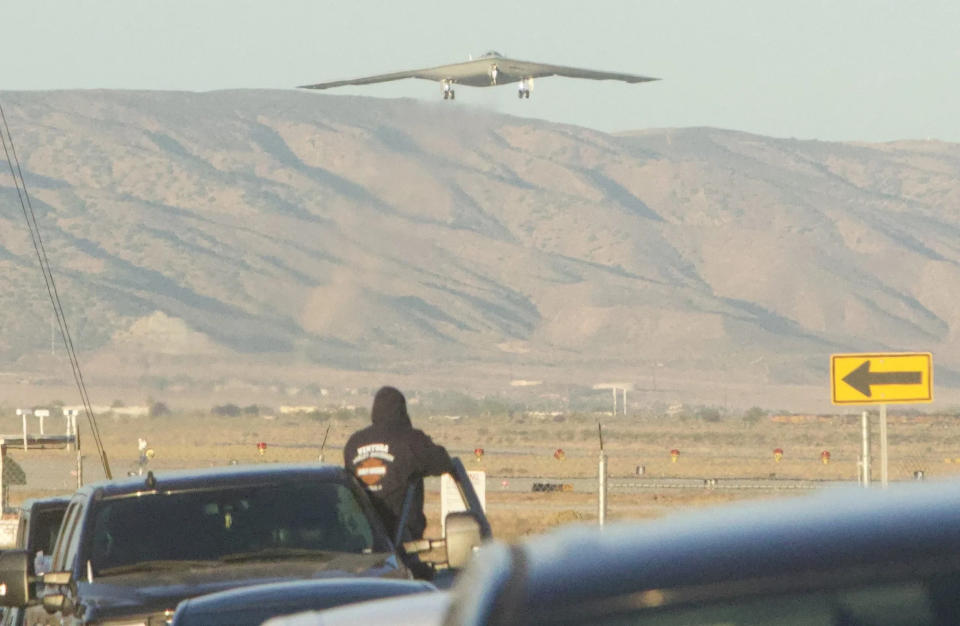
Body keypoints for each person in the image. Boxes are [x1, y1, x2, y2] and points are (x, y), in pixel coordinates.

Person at [344, 386, 454, 542]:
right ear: (402, 411)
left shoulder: (354, 443)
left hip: (361, 537)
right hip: (401, 538)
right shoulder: (411, 440)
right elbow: (443, 462)